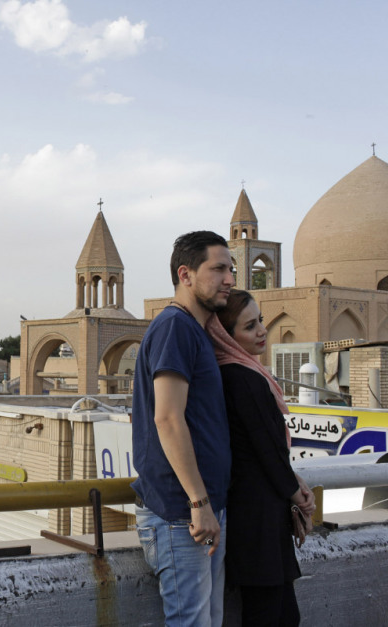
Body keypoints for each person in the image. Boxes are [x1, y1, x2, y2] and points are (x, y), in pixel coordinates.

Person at [131, 231, 236, 626]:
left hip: (201, 512)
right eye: (219, 269)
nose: (229, 279)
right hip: (182, 515)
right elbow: (168, 418)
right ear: (185, 274)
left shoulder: (196, 331)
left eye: (232, 270)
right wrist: (199, 503)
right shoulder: (174, 327)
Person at [207, 289, 316, 626]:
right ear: (227, 335)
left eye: (261, 321)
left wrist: (292, 484)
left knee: (280, 613)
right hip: (256, 522)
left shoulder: (233, 374)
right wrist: (298, 494)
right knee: (270, 615)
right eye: (249, 326)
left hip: (256, 516)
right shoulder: (244, 379)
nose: (261, 331)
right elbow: (266, 450)